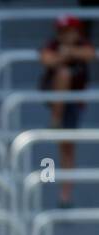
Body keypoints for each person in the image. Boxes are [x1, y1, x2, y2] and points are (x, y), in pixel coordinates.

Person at [40, 15, 95, 206]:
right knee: (49, 155)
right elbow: (47, 60)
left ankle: (65, 194)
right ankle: (55, 119)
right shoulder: (52, 44)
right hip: (50, 102)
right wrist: (65, 55)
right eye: (62, 31)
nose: (65, 34)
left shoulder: (82, 45)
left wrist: (68, 52)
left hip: (74, 106)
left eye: (69, 30)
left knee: (67, 149)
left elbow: (90, 54)